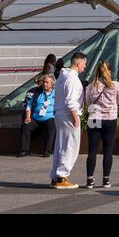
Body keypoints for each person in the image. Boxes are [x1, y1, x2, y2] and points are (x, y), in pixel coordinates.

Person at [83, 60, 119, 186]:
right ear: (109, 71)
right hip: (110, 120)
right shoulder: (115, 85)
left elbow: (88, 103)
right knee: (108, 150)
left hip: (95, 118)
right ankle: (106, 180)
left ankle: (90, 180)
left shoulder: (91, 86)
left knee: (92, 150)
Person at [51, 51, 87, 189]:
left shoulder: (62, 76)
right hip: (68, 115)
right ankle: (62, 176)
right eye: (84, 63)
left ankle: (56, 176)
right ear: (78, 63)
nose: (85, 66)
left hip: (60, 114)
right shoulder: (72, 79)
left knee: (60, 146)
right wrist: (76, 117)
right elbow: (70, 100)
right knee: (70, 146)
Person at [18, 74, 57, 157]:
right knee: (26, 125)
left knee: (52, 125)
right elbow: (29, 105)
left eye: (47, 82)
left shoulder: (56, 93)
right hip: (36, 118)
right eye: (43, 82)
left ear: (52, 84)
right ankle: (25, 150)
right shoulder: (37, 92)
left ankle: (47, 150)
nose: (44, 84)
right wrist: (28, 117)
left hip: (49, 118)